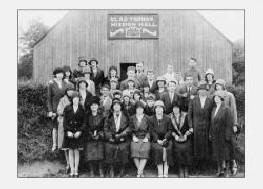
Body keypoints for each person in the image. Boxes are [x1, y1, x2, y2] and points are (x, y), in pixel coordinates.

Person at [214, 79, 240, 175]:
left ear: (223, 86)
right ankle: (223, 168)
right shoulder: (215, 95)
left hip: (229, 125)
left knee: (230, 146)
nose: (218, 87)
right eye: (216, 86)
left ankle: (233, 166)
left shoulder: (229, 95)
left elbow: (234, 110)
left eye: (220, 85)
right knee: (222, 147)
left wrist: (235, 124)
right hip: (219, 127)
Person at [188, 82, 213, 171]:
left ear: (207, 91)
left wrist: (211, 129)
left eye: (204, 90)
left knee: (205, 147)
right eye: (201, 90)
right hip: (196, 127)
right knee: (196, 147)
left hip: (206, 127)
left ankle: (205, 168)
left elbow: (212, 116)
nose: (202, 92)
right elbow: (189, 115)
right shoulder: (193, 100)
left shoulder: (210, 101)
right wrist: (191, 126)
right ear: (198, 91)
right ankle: (196, 168)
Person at [104, 98, 131, 177]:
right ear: (112, 107)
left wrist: (123, 134)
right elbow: (105, 128)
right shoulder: (109, 116)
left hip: (123, 137)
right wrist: (110, 137)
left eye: (118, 105)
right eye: (114, 105)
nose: (116, 107)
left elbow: (130, 127)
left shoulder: (125, 115)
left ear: (121, 107)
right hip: (112, 138)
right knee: (109, 148)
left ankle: (122, 168)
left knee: (123, 148)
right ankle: (111, 168)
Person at [209, 90, 233, 177]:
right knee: (217, 152)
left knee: (225, 153)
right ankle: (220, 170)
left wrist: (227, 136)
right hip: (215, 134)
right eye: (215, 97)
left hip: (223, 135)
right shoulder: (214, 109)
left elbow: (229, 124)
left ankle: (227, 171)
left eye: (218, 97)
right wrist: (210, 133)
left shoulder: (226, 109)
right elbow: (212, 122)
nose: (216, 99)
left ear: (221, 99)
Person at [62, 92, 85, 177]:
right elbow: (64, 122)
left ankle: (76, 170)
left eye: (77, 99)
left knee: (76, 151)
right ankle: (71, 170)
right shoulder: (67, 108)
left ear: (79, 100)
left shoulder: (82, 109)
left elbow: (84, 122)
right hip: (70, 133)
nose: (76, 100)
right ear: (72, 99)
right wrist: (68, 131)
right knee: (70, 151)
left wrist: (80, 131)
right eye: (74, 99)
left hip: (78, 133)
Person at [47, 67, 69, 151]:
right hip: (54, 108)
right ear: (55, 74)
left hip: (63, 107)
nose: (60, 75)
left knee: (63, 126)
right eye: (58, 73)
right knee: (55, 127)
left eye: (61, 74)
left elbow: (69, 91)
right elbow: (49, 98)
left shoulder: (65, 82)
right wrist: (50, 110)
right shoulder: (51, 83)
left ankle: (62, 144)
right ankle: (54, 144)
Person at [150, 100, 174, 177]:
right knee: (159, 149)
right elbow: (152, 131)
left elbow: (170, 130)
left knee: (167, 149)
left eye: (161, 108)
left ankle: (166, 170)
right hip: (156, 140)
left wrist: (165, 138)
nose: (159, 109)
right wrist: (157, 140)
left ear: (163, 109)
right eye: (157, 108)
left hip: (166, 139)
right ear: (154, 109)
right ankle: (160, 171)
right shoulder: (151, 119)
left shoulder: (167, 118)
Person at [169, 100, 193, 177]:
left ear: (179, 108)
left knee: (187, 148)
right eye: (174, 108)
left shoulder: (185, 115)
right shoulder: (170, 116)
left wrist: (186, 135)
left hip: (186, 137)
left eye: (177, 108)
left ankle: (186, 168)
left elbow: (191, 128)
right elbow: (170, 129)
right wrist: (175, 135)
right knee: (178, 149)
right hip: (176, 138)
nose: (175, 109)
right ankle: (180, 168)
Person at [83, 96, 105, 177]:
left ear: (98, 106)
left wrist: (98, 134)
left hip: (99, 137)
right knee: (89, 152)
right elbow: (85, 127)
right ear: (90, 107)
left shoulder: (101, 116)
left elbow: (103, 127)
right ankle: (91, 170)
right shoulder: (87, 116)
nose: (93, 107)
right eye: (92, 105)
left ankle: (100, 170)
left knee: (100, 152)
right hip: (90, 138)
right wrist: (91, 134)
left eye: (95, 105)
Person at [129, 101, 151, 177]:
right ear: (135, 109)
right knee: (134, 150)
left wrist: (147, 137)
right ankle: (141, 172)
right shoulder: (132, 118)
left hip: (145, 138)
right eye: (138, 109)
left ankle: (139, 172)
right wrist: (133, 137)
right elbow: (130, 130)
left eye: (141, 109)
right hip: (136, 138)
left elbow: (150, 130)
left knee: (145, 151)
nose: (139, 110)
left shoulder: (147, 118)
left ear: (143, 110)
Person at [57, 87, 75, 174]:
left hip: (74, 124)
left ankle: (75, 165)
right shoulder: (62, 100)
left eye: (71, 90)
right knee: (66, 145)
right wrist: (66, 113)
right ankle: (68, 163)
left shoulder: (76, 98)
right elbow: (59, 110)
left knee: (75, 145)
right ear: (66, 92)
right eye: (68, 91)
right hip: (65, 123)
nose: (70, 92)